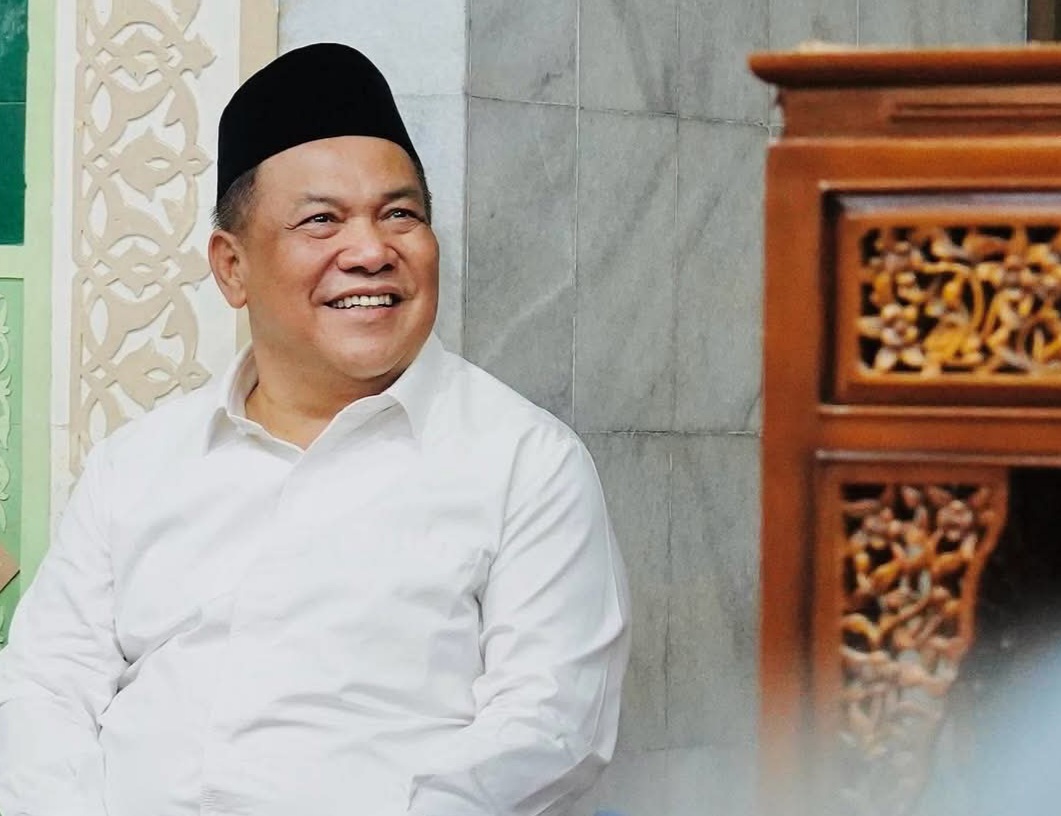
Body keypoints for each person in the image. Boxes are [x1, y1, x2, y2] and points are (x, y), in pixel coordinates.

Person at [0, 43, 629, 816]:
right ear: (231, 267)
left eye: (400, 215)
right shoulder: (134, 465)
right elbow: (46, 686)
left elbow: (548, 729)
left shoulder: (526, 464)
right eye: (321, 220)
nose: (370, 251)